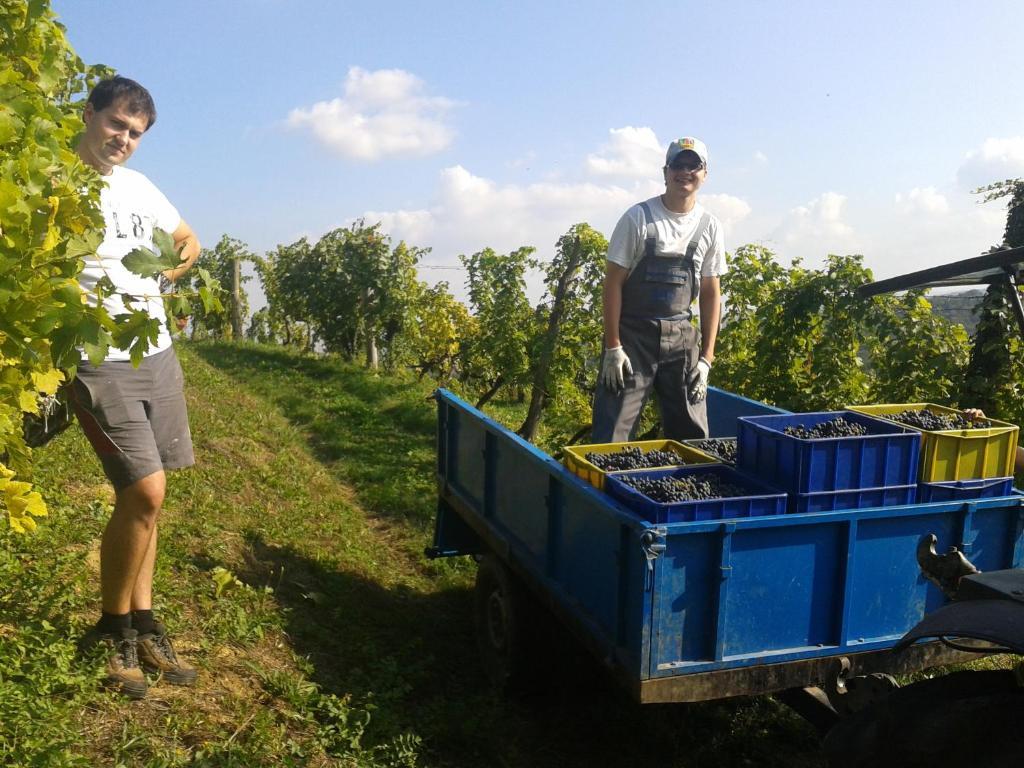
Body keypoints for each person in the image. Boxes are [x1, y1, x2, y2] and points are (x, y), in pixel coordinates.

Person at [72, 76, 200, 699]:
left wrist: (167, 272)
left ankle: (143, 621)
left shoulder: (141, 187)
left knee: (153, 498)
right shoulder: (54, 181)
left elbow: (189, 240)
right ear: (90, 112)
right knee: (143, 490)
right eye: (117, 124)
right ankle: (111, 628)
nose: (123, 139)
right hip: (96, 356)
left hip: (156, 352)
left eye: (135, 133)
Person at [591, 136, 726, 443]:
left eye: (694, 165)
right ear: (666, 172)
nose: (686, 172)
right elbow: (612, 283)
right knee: (613, 432)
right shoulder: (638, 218)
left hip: (682, 338)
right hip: (632, 339)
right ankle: (605, 488)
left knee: (693, 433)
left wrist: (706, 359)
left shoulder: (710, 226)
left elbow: (710, 293)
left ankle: (688, 485)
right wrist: (613, 347)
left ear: (705, 174)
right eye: (678, 164)